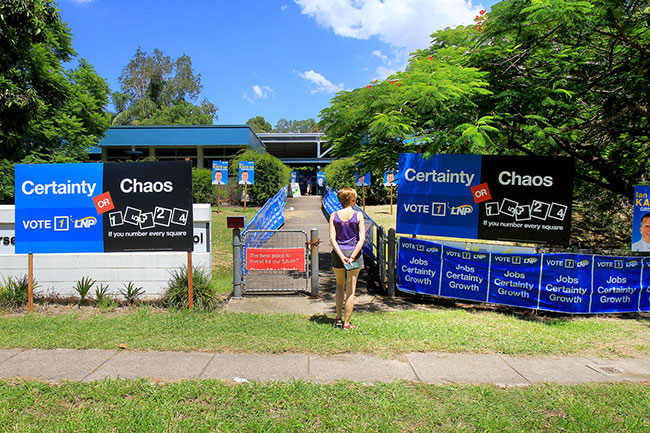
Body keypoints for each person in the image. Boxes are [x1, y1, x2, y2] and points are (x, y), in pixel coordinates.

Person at [329, 187, 366, 329]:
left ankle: (338, 318)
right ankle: (347, 322)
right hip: (354, 254)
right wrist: (352, 257)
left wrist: (341, 256)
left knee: (339, 286)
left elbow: (332, 239)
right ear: (351, 199)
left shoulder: (334, 215)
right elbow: (361, 239)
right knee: (351, 288)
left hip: (338, 254)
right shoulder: (358, 215)